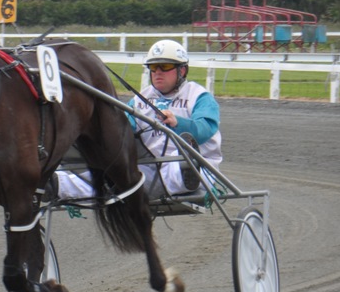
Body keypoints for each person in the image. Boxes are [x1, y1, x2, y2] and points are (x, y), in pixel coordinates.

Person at [54, 39, 222, 200]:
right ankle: (58, 184)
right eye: (153, 67)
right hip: (152, 167)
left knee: (172, 168)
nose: (158, 72)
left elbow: (204, 129)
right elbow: (122, 129)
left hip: (198, 167)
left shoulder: (199, 96)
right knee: (111, 178)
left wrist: (178, 123)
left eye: (165, 66)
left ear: (182, 71)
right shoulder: (140, 100)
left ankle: (186, 173)